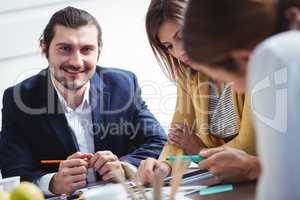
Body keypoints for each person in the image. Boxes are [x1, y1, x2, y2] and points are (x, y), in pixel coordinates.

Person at [0, 6, 167, 195]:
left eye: (87, 49)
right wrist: (53, 183)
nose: (77, 62)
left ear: (99, 50)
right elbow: (13, 171)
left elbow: (159, 141)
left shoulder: (123, 84)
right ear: (44, 46)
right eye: (65, 49)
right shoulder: (19, 99)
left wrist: (124, 166)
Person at [183, 0, 300, 199]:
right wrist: (255, 166)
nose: (234, 89)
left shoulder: (275, 56)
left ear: (243, 58)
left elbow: (285, 190)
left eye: (223, 80)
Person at [138, 0, 257, 184]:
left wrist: (199, 150)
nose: (179, 52)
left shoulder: (248, 63)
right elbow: (179, 136)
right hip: (224, 180)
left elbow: (249, 146)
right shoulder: (188, 75)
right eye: (168, 46)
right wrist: (164, 166)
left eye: (182, 36)